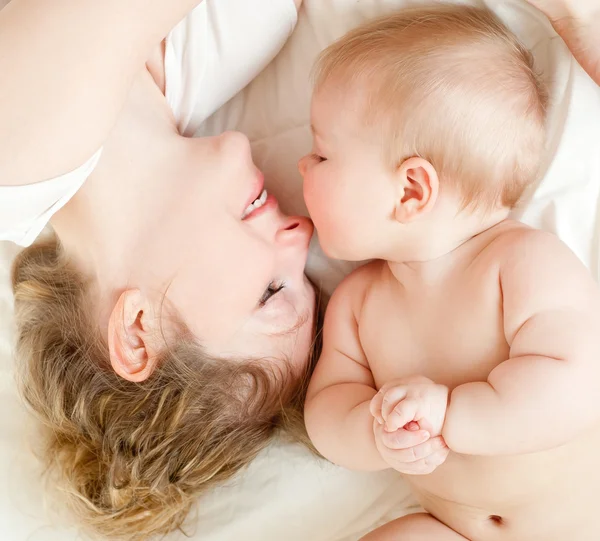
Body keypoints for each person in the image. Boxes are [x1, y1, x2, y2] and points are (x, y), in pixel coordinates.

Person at [0, 0, 318, 539]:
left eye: (270, 293)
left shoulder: (16, 164)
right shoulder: (248, 29)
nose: (304, 234)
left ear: (137, 331)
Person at [300, 5, 600, 540]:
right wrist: (373, 433)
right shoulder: (358, 303)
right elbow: (326, 412)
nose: (303, 167)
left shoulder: (520, 264)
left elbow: (577, 383)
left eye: (322, 156)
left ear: (412, 190)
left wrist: (452, 415)